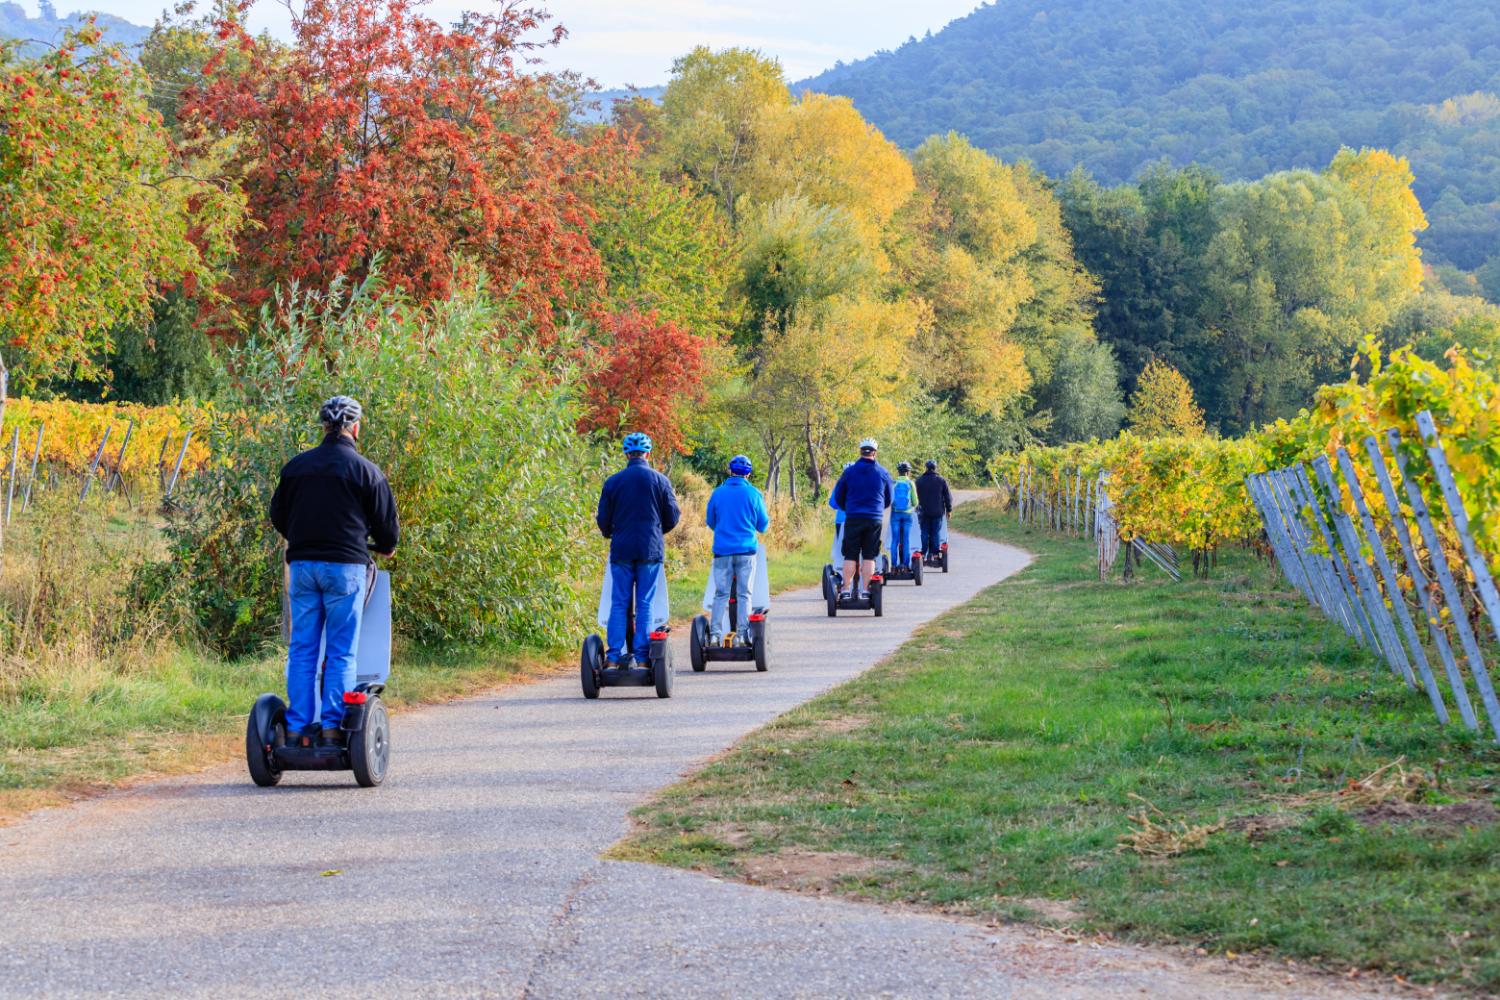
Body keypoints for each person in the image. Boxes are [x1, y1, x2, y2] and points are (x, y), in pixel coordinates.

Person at [269, 395, 399, 750]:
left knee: (302, 648)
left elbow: (278, 515)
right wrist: (385, 545)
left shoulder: (295, 467)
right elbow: (387, 528)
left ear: (324, 426)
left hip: (304, 566)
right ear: (355, 428)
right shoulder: (366, 471)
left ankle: (296, 727)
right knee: (341, 651)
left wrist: (303, 536)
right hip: (346, 569)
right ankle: (331, 727)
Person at [595, 432, 681, 667]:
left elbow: (603, 519)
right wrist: (657, 531)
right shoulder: (660, 480)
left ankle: (612, 658)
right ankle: (642, 659)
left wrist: (609, 533)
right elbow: (673, 516)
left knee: (619, 602)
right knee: (645, 602)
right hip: (650, 550)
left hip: (621, 550)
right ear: (648, 453)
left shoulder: (612, 482)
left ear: (626, 454)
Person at [704, 454, 770, 645]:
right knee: (744, 594)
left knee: (721, 594)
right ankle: (742, 635)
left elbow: (711, 521)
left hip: (722, 550)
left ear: (730, 470)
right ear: (748, 474)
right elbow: (762, 526)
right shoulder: (754, 494)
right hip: (746, 551)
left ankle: (715, 635)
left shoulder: (718, 493)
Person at [830, 438, 893, 600]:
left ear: (860, 451)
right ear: (875, 452)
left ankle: (846, 589)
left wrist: (848, 507)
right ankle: (865, 590)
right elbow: (889, 499)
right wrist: (878, 509)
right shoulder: (883, 473)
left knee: (850, 554)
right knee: (869, 555)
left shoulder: (849, 472)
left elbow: (838, 496)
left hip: (853, 517)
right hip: (874, 519)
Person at [916, 458, 953, 560]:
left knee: (924, 532)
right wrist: (949, 510)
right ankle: (935, 553)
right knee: (935, 532)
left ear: (926, 468)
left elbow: (915, 497)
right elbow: (947, 497)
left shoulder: (919, 481)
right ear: (935, 468)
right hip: (938, 512)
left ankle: (923, 553)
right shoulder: (941, 480)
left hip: (923, 512)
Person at [891, 461, 918, 568]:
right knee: (906, 539)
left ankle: (893, 565)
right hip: (907, 515)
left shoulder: (893, 483)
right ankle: (906, 565)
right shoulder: (911, 483)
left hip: (896, 514)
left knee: (895, 540)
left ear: (898, 471)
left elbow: (889, 500)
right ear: (908, 472)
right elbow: (915, 502)